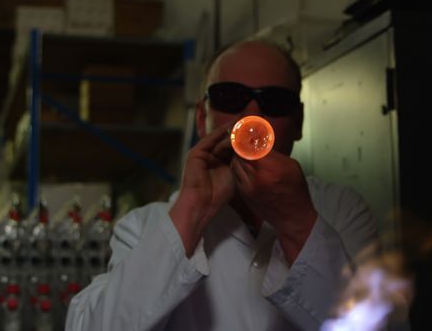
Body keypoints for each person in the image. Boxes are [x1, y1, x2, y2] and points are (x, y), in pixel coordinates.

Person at [65, 40, 378, 331]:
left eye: (274, 101)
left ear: (298, 122)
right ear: (202, 117)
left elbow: (377, 323)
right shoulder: (143, 226)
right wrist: (192, 213)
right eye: (231, 96)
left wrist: (297, 223)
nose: (253, 116)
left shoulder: (340, 210)